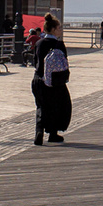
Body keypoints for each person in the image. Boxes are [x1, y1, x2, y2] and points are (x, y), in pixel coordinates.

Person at [31, 14, 72, 144]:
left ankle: (39, 132)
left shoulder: (39, 43)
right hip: (55, 81)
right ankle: (53, 134)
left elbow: (35, 61)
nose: (61, 30)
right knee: (57, 106)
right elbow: (65, 62)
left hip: (39, 79)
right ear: (53, 29)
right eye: (59, 28)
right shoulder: (59, 44)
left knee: (41, 106)